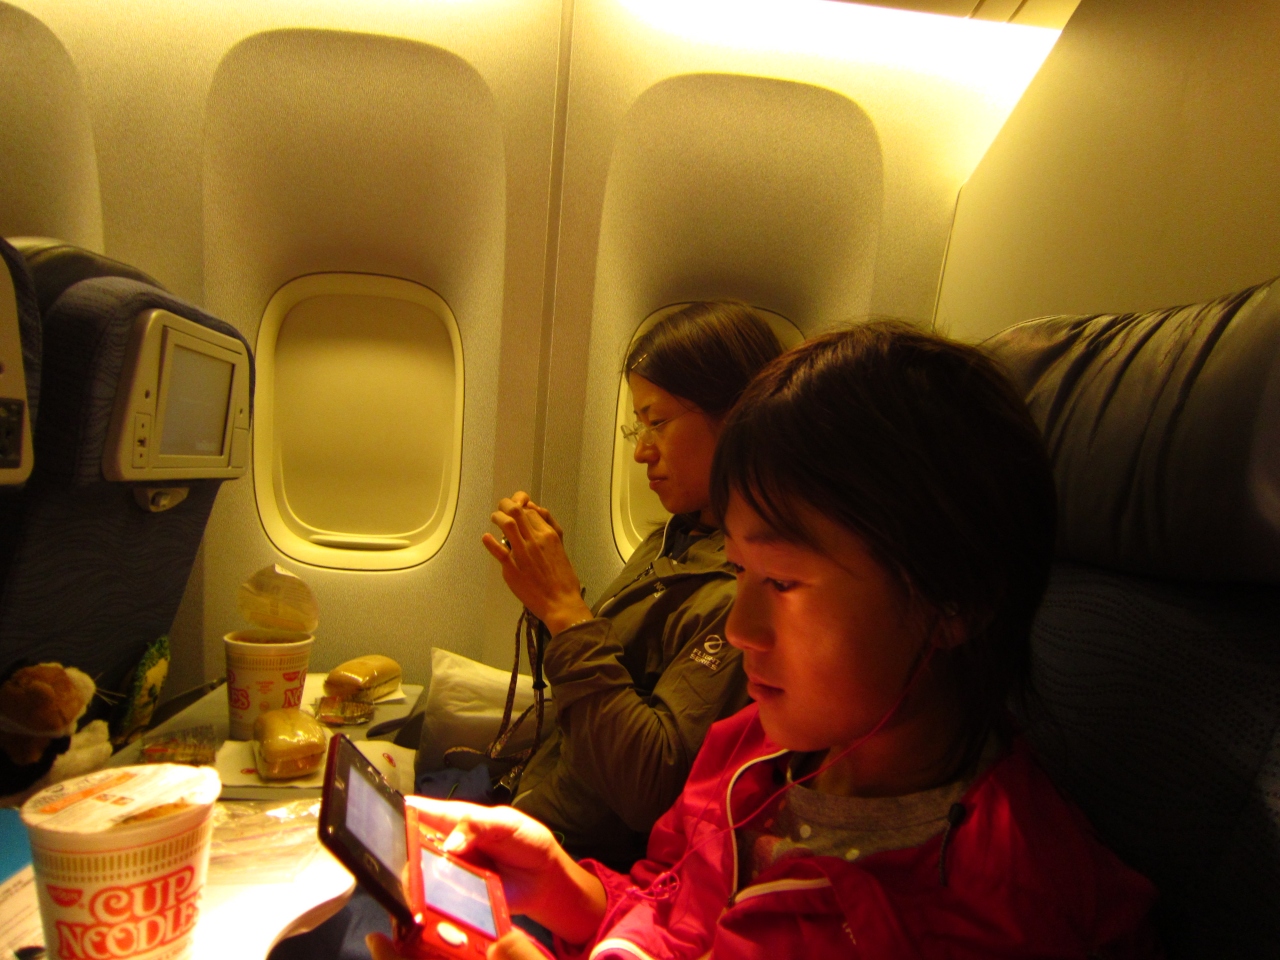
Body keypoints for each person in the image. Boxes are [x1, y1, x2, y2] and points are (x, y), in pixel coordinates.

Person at [370, 322, 1160, 960]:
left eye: (781, 582)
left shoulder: (993, 916)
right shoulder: (752, 752)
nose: (740, 630)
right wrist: (570, 891)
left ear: (954, 598)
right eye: (740, 570)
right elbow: (680, 908)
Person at [479, 301, 785, 869]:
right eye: (637, 426)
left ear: (738, 417)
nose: (642, 450)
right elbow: (604, 686)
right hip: (537, 802)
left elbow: (651, 790)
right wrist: (549, 600)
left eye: (657, 422)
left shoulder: (741, 594)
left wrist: (566, 610)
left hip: (579, 859)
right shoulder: (676, 537)